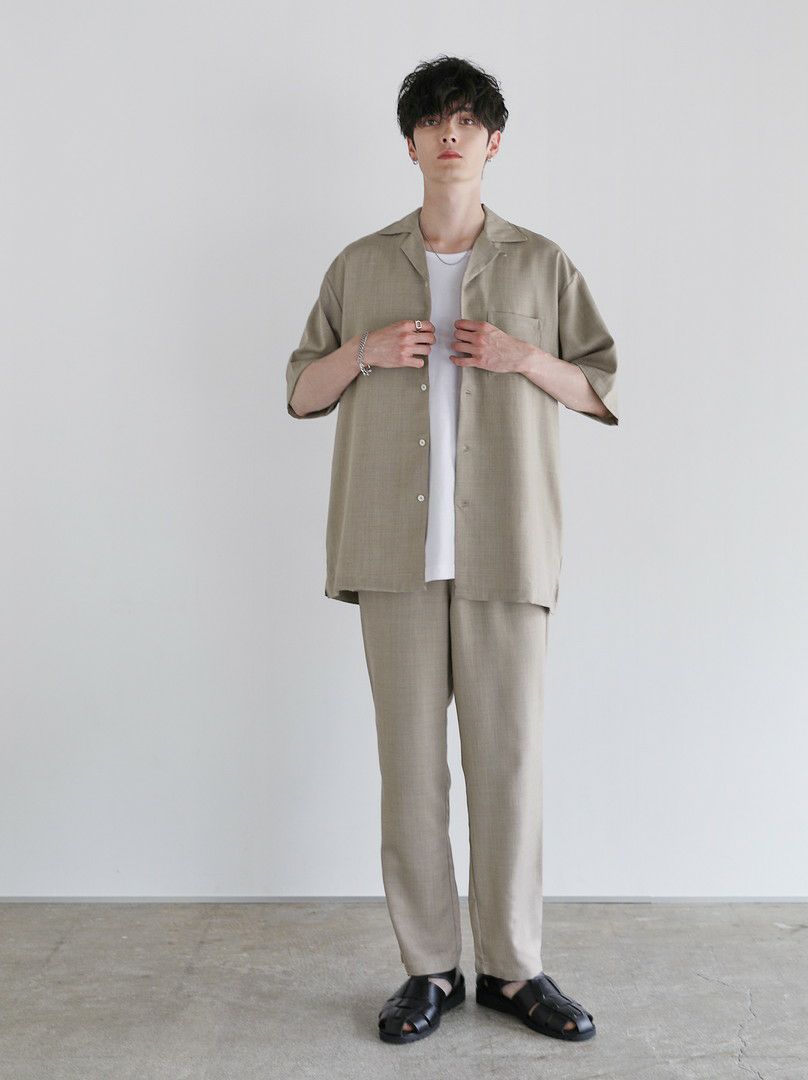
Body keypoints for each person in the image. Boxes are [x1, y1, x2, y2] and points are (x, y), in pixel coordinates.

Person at [285, 55, 618, 1045]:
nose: (450, 134)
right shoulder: (358, 266)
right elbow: (301, 390)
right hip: (392, 552)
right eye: (433, 120)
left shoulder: (542, 263)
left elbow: (600, 385)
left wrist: (524, 357)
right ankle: (429, 969)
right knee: (412, 775)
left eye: (468, 120)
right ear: (410, 142)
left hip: (507, 547)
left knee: (509, 767)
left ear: (494, 141)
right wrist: (364, 353)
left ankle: (514, 970)